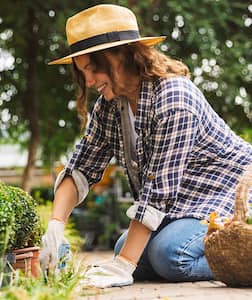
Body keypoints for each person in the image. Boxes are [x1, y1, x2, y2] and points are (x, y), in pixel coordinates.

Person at [39, 4, 252, 288]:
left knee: (170, 255)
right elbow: (82, 166)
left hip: (226, 195)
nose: (89, 82)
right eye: (83, 73)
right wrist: (56, 225)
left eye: (94, 69)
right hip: (180, 208)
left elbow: (158, 190)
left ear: (123, 57)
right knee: (124, 249)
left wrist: (124, 266)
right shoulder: (110, 107)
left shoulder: (175, 98)